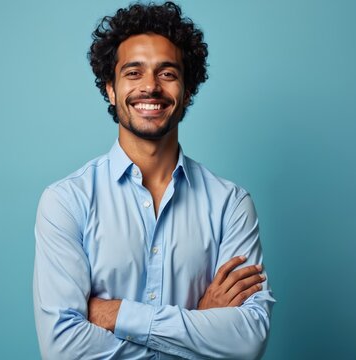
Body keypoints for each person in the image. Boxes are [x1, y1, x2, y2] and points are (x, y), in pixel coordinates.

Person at [33, 2, 275, 359]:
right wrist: (197, 323)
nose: (150, 87)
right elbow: (63, 349)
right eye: (133, 73)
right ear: (111, 90)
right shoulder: (66, 202)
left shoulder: (230, 205)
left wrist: (116, 314)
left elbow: (248, 340)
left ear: (187, 91)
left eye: (167, 73)